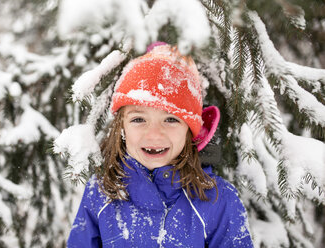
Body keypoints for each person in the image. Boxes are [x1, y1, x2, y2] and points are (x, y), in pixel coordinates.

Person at [67, 42, 254, 247]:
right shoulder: (101, 191)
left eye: (171, 119)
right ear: (122, 127)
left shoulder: (219, 199)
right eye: (138, 119)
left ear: (191, 130)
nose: (154, 134)